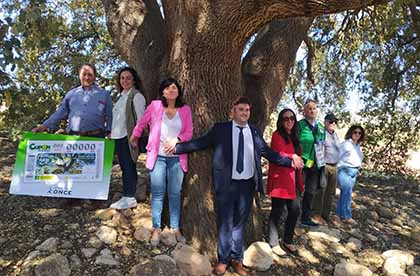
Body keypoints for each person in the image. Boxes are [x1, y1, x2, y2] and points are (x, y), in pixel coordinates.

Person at [172, 97, 303, 276]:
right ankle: (223, 260)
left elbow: (269, 153)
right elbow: (201, 143)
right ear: (233, 111)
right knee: (226, 222)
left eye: (247, 110)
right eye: (241, 109)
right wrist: (177, 148)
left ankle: (237, 259)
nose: (244, 113)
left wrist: (290, 161)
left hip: (247, 185)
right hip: (226, 184)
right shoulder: (221, 129)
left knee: (239, 224)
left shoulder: (255, 132)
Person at [129, 78, 193, 246]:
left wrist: (177, 139)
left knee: (175, 193)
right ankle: (156, 228)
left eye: (174, 87)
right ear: (163, 92)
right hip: (157, 157)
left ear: (178, 91)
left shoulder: (185, 110)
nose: (171, 90)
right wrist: (135, 135)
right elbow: (142, 122)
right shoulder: (155, 106)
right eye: (167, 88)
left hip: (177, 158)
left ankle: (175, 228)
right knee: (158, 193)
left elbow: (189, 132)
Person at [32, 63, 112, 138]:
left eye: (90, 75)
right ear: (79, 75)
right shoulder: (71, 94)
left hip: (96, 138)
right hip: (73, 139)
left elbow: (110, 115)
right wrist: (44, 126)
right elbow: (59, 113)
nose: (87, 78)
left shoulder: (104, 94)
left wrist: (109, 131)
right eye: (84, 74)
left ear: (94, 77)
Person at [267, 108, 303, 256]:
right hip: (281, 179)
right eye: (286, 118)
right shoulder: (277, 135)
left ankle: (287, 240)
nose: (289, 121)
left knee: (295, 211)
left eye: (292, 118)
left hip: (293, 180)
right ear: (281, 121)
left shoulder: (294, 137)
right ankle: (273, 242)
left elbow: (298, 157)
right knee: (277, 211)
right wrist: (292, 155)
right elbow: (277, 154)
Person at [109, 67, 146, 210]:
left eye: (128, 78)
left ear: (134, 80)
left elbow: (141, 119)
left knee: (129, 166)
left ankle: (130, 197)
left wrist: (135, 136)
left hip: (128, 137)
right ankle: (127, 196)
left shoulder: (136, 96)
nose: (125, 80)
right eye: (122, 78)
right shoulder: (122, 96)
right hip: (118, 137)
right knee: (125, 167)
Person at [298, 99, 325, 227]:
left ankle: (305, 217)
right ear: (304, 111)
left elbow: (322, 145)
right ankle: (292, 215)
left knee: (310, 192)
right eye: (309, 108)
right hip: (302, 163)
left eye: (314, 108)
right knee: (298, 190)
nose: (312, 110)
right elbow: (294, 142)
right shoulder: (300, 125)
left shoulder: (320, 128)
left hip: (315, 164)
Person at [312, 113, 341, 223]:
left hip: (334, 166)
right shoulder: (321, 133)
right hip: (324, 166)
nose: (333, 123)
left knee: (330, 192)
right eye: (331, 121)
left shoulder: (336, 135)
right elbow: (318, 149)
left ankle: (325, 214)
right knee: (321, 190)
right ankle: (316, 214)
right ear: (325, 121)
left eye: (335, 122)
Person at [336, 125, 364, 224]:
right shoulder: (346, 144)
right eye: (355, 132)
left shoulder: (358, 146)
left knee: (345, 193)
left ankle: (339, 214)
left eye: (359, 133)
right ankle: (346, 216)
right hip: (344, 170)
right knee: (347, 194)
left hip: (354, 171)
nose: (357, 134)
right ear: (351, 133)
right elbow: (338, 156)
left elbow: (359, 158)